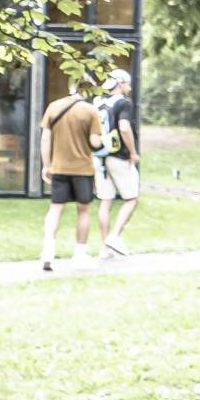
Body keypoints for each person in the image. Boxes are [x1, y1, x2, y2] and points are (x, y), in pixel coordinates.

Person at [39, 78, 102, 271]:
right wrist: (102, 137)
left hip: (59, 168)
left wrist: (46, 165)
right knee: (83, 211)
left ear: (70, 87)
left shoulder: (54, 107)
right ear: (88, 91)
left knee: (55, 209)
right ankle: (79, 255)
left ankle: (48, 250)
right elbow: (96, 143)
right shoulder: (91, 111)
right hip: (83, 169)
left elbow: (46, 138)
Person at [98, 66, 140, 258]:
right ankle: (114, 237)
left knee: (105, 201)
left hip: (100, 158)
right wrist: (133, 152)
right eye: (128, 84)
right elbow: (124, 127)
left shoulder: (99, 103)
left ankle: (105, 249)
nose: (129, 88)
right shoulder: (124, 103)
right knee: (131, 198)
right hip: (118, 157)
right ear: (121, 83)